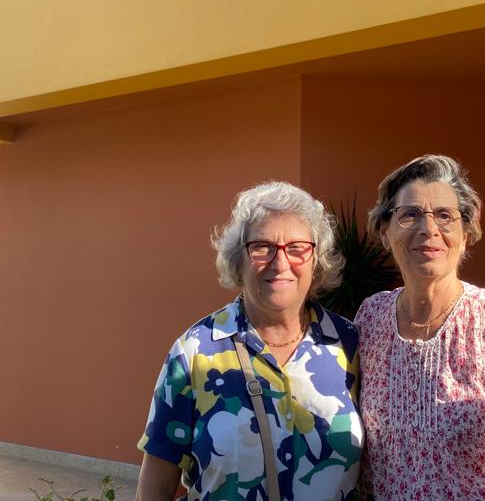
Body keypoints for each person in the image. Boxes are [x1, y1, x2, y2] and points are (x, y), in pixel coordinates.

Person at [136, 181, 363, 501]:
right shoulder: (196, 351)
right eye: (262, 247)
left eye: (297, 247)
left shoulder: (349, 344)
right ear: (238, 259)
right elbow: (158, 480)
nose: (280, 263)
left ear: (317, 259)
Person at [356, 154, 485, 500]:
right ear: (385, 231)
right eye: (409, 214)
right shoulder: (370, 319)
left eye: (444, 216)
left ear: (466, 232)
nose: (428, 229)